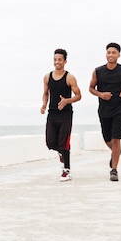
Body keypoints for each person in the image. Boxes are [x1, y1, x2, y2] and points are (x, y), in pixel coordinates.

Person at [89, 42, 121, 182]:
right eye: (109, 52)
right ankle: (117, 153)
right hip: (105, 108)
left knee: (116, 138)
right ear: (106, 54)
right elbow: (91, 88)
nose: (111, 55)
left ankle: (114, 170)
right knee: (107, 138)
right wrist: (101, 95)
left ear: (119, 55)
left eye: (114, 52)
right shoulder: (98, 71)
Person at [41, 48, 82, 182]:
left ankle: (67, 171)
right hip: (52, 114)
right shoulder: (47, 77)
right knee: (50, 142)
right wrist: (44, 104)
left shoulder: (70, 77)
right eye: (55, 59)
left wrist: (67, 101)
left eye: (59, 60)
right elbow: (46, 93)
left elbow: (78, 95)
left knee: (64, 143)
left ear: (65, 61)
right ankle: (60, 154)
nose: (57, 62)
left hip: (65, 115)